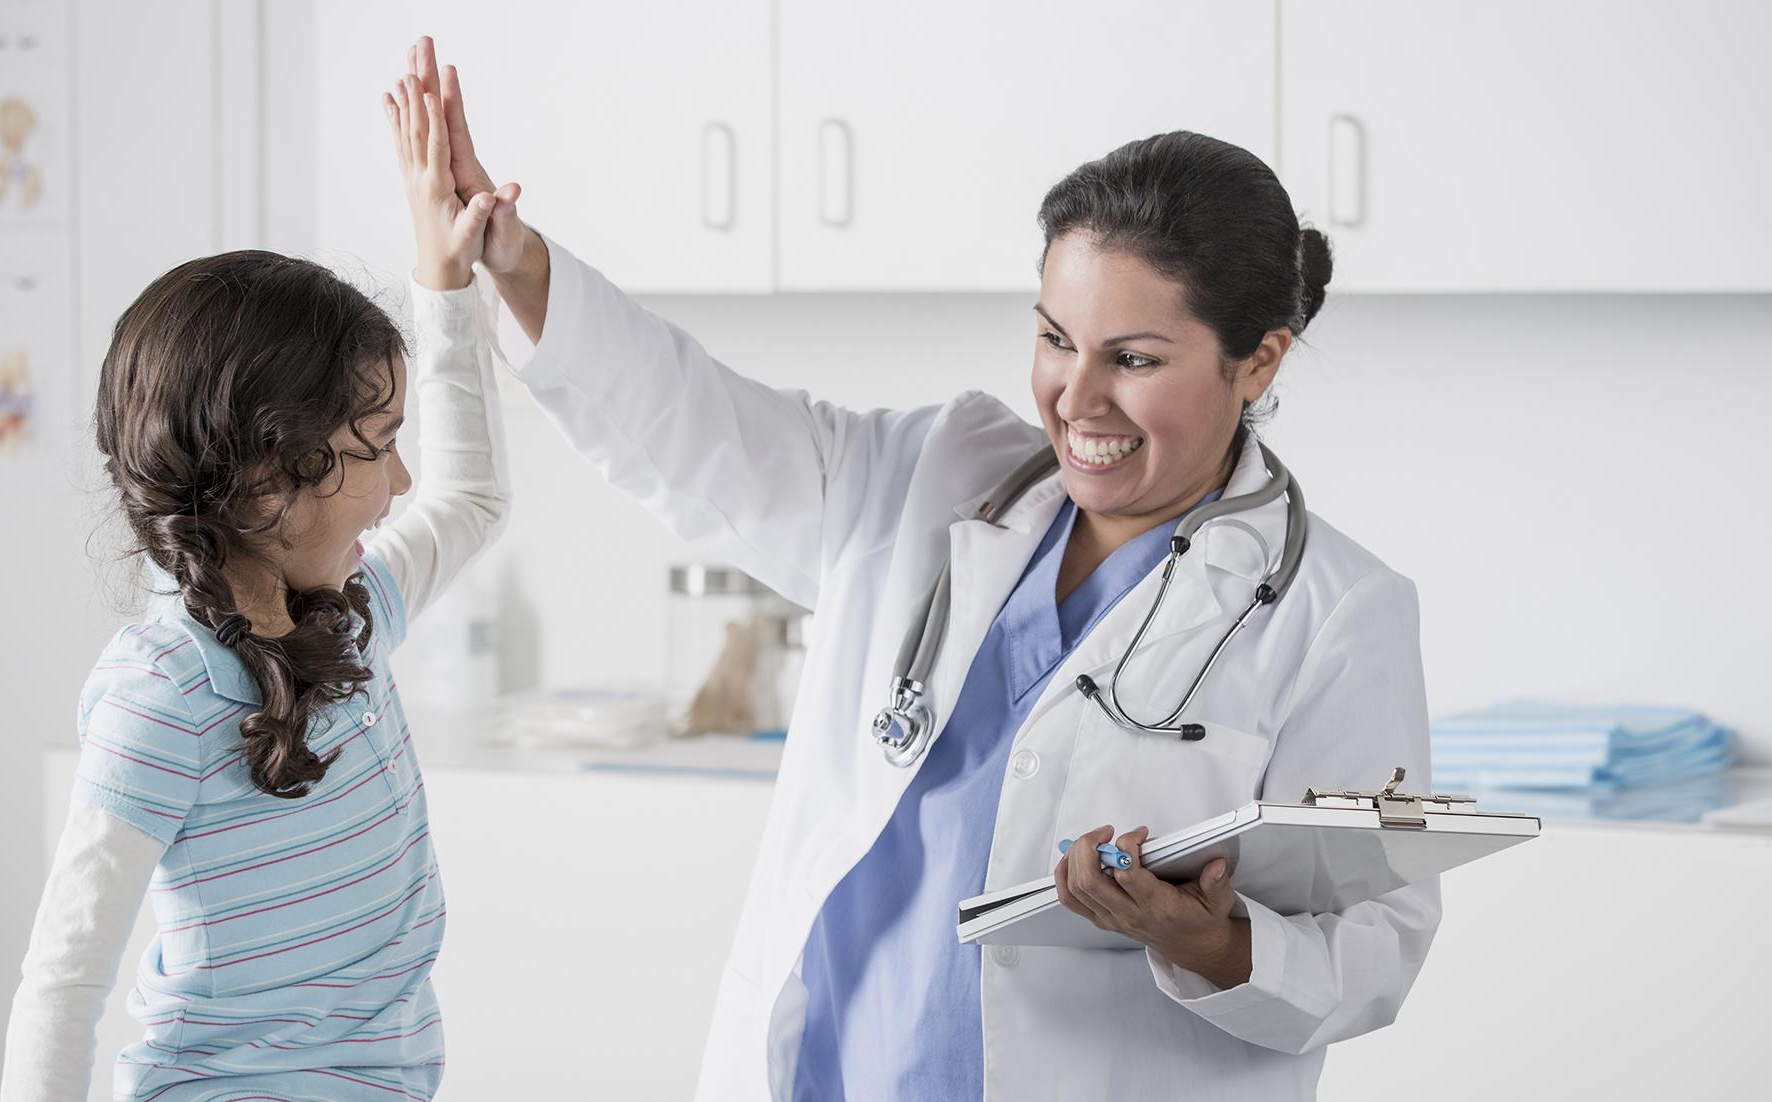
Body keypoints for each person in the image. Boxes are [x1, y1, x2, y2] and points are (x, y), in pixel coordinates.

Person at [431, 41, 1434, 1102]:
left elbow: (1378, 940)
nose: (1075, 397)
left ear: (1259, 358)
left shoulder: (1337, 614)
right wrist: (512, 260)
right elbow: (698, 428)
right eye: (1054, 338)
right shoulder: (930, 474)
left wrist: (1216, 944)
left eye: (1132, 359)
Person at [0, 64, 510, 1101]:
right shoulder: (163, 691)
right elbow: (62, 986)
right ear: (270, 476)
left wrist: (443, 280)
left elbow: (471, 500)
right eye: (376, 447)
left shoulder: (351, 616)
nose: (400, 482)